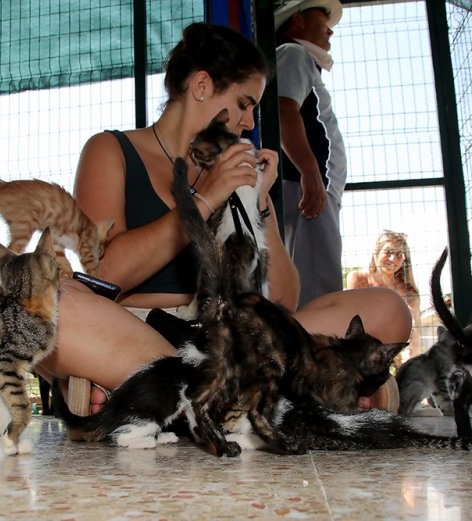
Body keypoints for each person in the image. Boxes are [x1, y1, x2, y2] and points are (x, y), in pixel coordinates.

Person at [34, 22, 411, 415]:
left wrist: (260, 203)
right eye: (245, 104)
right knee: (47, 303)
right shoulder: (111, 150)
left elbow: (283, 302)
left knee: (389, 309)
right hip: (139, 328)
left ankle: (157, 393)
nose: (250, 123)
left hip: (234, 339)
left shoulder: (236, 172)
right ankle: (287, 395)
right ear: (201, 86)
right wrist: (205, 198)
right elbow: (106, 271)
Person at [274, 0, 347, 308]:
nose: (330, 27)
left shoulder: (298, 58)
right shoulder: (293, 53)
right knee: (319, 293)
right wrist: (310, 173)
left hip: (312, 190)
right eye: (323, 15)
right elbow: (283, 109)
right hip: (309, 193)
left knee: (313, 286)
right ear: (298, 20)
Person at [346, 230, 422, 359]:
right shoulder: (359, 279)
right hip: (367, 347)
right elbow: (351, 317)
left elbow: (416, 332)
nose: (393, 259)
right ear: (377, 253)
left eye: (399, 254)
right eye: (389, 252)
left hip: (401, 348)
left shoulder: (409, 292)